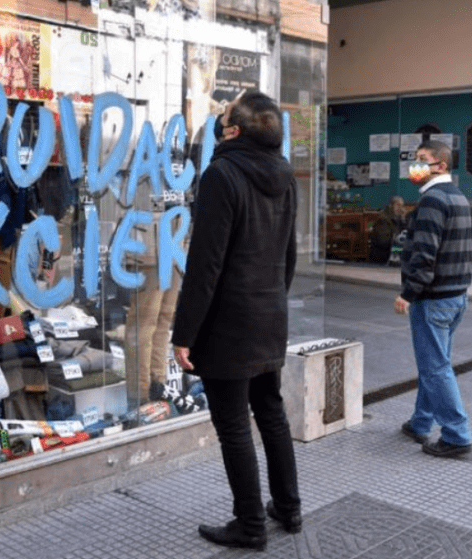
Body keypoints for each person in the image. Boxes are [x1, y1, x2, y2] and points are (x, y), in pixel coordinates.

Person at [171, 91, 300, 551]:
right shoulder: (286, 177)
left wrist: (183, 335)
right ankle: (288, 508)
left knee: (233, 425)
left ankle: (249, 524)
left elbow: (206, 265)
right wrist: (272, 303)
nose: (217, 121)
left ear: (232, 131)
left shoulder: (221, 175)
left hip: (229, 324)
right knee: (271, 412)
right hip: (269, 314)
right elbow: (289, 256)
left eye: (222, 117)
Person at [395, 140, 472, 458]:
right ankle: (420, 422)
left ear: (441, 166)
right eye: (415, 160)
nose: (415, 166)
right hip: (457, 296)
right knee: (436, 363)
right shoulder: (458, 197)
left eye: (422, 160)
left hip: (433, 299)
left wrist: (408, 294)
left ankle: (456, 434)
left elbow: (425, 255)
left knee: (434, 368)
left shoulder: (432, 200)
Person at [369, 195, 409, 264]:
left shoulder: (398, 219)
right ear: (391, 206)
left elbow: (405, 233)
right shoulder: (383, 220)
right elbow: (383, 242)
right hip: (382, 255)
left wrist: (404, 219)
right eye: (398, 205)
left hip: (392, 252)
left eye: (402, 206)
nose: (400, 208)